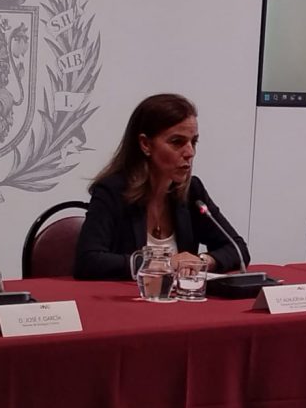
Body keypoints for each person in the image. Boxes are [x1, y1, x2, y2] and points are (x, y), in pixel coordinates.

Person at [75, 94, 249, 281]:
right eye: (177, 142)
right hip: (127, 298)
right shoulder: (113, 191)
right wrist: (162, 264)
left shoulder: (192, 191)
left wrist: (201, 261)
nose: (190, 152)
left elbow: (238, 249)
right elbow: (88, 261)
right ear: (145, 144)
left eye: (193, 142)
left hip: (180, 298)